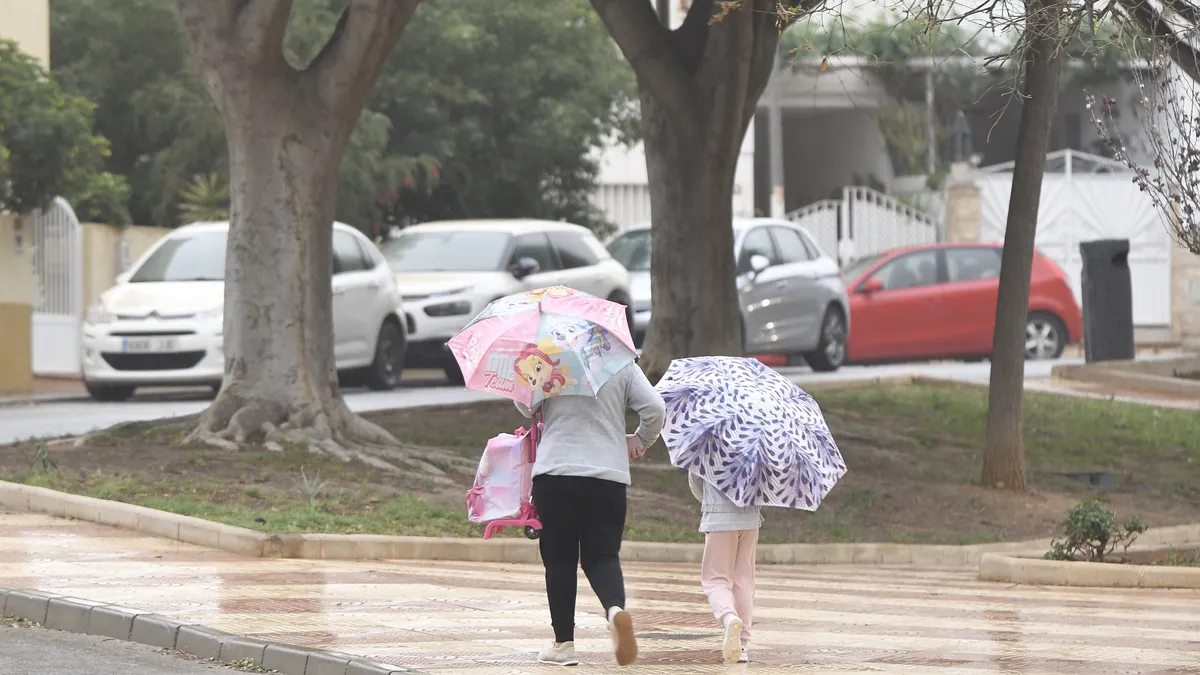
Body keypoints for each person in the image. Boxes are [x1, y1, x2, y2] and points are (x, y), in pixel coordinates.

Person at [516, 361, 664, 667]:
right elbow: (655, 408)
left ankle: (564, 645)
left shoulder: (547, 357)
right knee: (603, 555)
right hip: (608, 475)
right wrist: (640, 440)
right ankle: (614, 610)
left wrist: (527, 368)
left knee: (559, 559)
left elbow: (525, 406)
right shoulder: (620, 361)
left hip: (556, 471)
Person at [688, 471, 763, 664]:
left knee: (715, 579)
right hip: (750, 519)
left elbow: (695, 478)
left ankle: (729, 617)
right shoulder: (756, 450)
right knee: (744, 580)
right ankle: (742, 645)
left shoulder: (708, 449)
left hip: (718, 518)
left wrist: (708, 501)